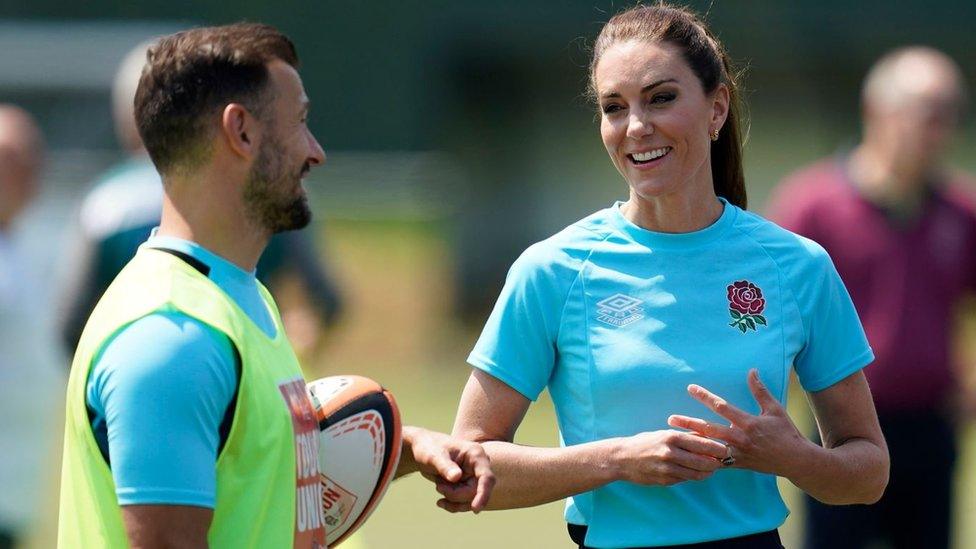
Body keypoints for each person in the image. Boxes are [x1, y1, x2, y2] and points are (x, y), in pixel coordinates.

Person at [448, 5, 889, 549]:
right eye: (614, 107)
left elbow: (868, 473)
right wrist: (615, 459)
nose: (636, 127)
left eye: (661, 98)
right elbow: (470, 467)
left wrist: (794, 457)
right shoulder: (553, 270)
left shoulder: (798, 265)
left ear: (716, 108)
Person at [58, 23, 493, 548]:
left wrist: (406, 448)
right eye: (302, 122)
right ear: (241, 131)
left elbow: (251, 461)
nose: (316, 151)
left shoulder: (239, 298)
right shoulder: (171, 337)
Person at [767, 47, 976, 549]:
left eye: (950, 115)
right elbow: (768, 311)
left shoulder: (962, 211)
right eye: (928, 113)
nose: (939, 130)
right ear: (877, 113)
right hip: (838, 426)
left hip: (930, 428)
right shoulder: (813, 206)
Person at [58, 40, 343, 359]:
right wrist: (300, 338)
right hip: (248, 359)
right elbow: (327, 299)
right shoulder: (272, 185)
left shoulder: (106, 203)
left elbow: (70, 327)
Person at [0, 106, 64, 549]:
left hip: (17, 481)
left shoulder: (28, 246)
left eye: (30, 161)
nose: (25, 174)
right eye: (9, 160)